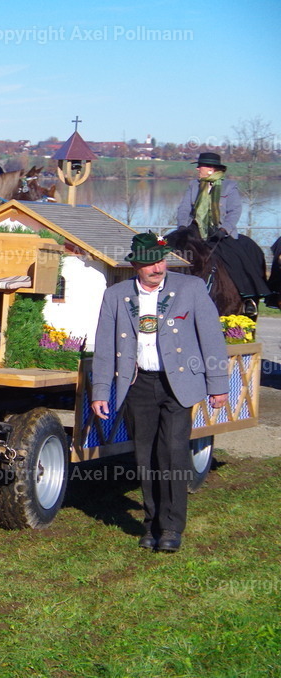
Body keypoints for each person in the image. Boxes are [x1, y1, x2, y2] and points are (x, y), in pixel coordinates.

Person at [91, 231, 228, 554]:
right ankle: (151, 522)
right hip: (138, 384)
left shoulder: (190, 289)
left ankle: (171, 526)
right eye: (150, 263)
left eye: (161, 261)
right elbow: (104, 346)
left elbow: (212, 338)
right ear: (136, 265)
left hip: (179, 384)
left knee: (173, 453)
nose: (158, 268)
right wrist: (100, 390)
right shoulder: (116, 295)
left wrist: (218, 384)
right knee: (144, 457)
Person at [176, 151, 270, 308]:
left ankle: (247, 297)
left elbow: (235, 211)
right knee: (169, 248)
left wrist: (225, 229)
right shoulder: (193, 186)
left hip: (220, 233)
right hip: (194, 232)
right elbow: (184, 209)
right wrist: (182, 228)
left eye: (201, 166)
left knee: (237, 257)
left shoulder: (229, 187)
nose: (198, 169)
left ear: (211, 169)